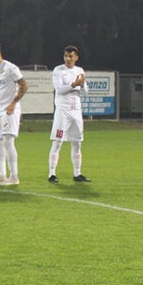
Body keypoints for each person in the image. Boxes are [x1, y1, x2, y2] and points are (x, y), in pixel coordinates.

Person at [0, 41, 28, 186]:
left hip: (10, 110)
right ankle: (2, 176)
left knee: (8, 141)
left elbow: (24, 85)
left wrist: (13, 103)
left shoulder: (10, 68)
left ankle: (14, 177)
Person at [48, 45, 90, 183]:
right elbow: (59, 89)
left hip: (76, 111)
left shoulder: (80, 70)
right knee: (57, 142)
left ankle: (77, 173)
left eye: (71, 56)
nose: (68, 58)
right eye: (66, 56)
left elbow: (85, 92)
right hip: (63, 111)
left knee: (77, 143)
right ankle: (52, 173)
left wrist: (82, 84)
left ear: (76, 57)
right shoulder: (59, 70)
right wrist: (74, 84)